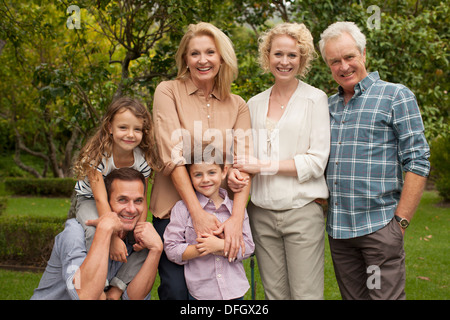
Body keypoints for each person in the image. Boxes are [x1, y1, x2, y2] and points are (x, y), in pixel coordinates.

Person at [319, 21, 430, 300]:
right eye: (335, 61)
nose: (343, 66)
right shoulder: (327, 106)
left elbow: (417, 161)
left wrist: (400, 223)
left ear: (364, 53)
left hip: (379, 229)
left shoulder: (395, 96)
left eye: (349, 57)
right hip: (339, 232)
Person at [149, 22, 253, 299]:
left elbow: (243, 165)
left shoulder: (238, 105)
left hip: (222, 213)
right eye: (194, 53)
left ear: (222, 57)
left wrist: (235, 219)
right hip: (174, 210)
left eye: (210, 52)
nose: (203, 60)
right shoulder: (167, 91)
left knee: (222, 289)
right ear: (185, 58)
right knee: (176, 290)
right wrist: (196, 214)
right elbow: (172, 156)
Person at [231, 22, 330, 299]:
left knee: (305, 294)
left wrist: (262, 166)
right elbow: (243, 159)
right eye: (278, 54)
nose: (284, 62)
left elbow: (315, 163)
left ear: (303, 59)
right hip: (260, 214)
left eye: (292, 55)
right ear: (267, 56)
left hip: (301, 212)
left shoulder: (315, 100)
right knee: (274, 294)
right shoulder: (253, 104)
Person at [72, 96, 162, 298]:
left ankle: (118, 286)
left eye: (137, 129)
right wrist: (112, 236)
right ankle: (99, 286)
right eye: (123, 128)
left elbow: (142, 198)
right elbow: (100, 200)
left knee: (146, 239)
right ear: (109, 128)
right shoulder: (97, 156)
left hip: (124, 203)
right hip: (92, 201)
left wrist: (141, 226)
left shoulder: (142, 159)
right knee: (92, 232)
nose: (130, 135)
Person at [31, 168, 163, 300]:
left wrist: (156, 249)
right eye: (122, 200)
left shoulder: (139, 240)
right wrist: (105, 229)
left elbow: (134, 298)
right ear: (106, 201)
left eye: (138, 201)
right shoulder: (74, 234)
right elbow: (84, 296)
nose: (131, 209)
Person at [164, 159, 254, 300]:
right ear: (189, 176)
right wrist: (202, 248)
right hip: (201, 292)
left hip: (234, 291)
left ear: (224, 172)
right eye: (198, 175)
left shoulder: (235, 209)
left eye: (212, 172)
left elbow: (248, 248)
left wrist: (219, 246)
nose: (205, 180)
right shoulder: (182, 209)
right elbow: (171, 248)